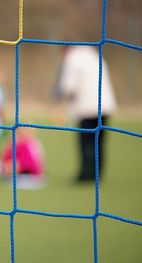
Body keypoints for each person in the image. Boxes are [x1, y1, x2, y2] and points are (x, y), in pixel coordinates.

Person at [54, 45, 117, 182]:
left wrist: (58, 95)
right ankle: (97, 175)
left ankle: (85, 175)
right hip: (105, 107)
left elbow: (68, 86)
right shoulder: (95, 56)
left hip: (86, 108)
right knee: (99, 142)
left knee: (86, 143)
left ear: (65, 50)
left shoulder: (72, 59)